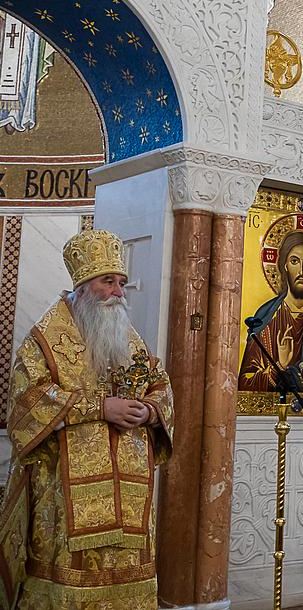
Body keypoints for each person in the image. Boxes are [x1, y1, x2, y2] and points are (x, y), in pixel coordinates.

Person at [0, 229, 174, 608]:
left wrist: (149, 410)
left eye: (120, 283)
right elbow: (26, 402)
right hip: (63, 490)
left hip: (130, 493)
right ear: (82, 288)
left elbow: (159, 384)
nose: (117, 292)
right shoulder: (46, 339)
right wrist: (99, 408)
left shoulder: (128, 337)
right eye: (107, 281)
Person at [238, 230, 303, 392]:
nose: (301, 272)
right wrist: (279, 367)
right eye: (294, 261)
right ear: (285, 266)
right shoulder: (266, 318)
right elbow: (245, 382)